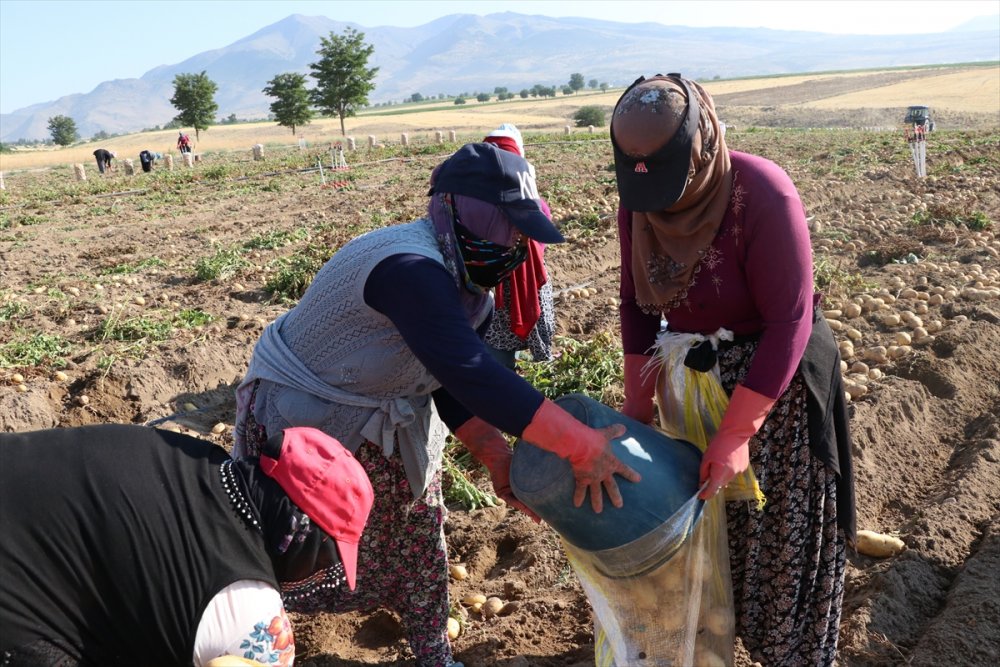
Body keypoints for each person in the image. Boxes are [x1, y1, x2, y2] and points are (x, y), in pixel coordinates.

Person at [232, 141, 641, 667]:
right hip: (311, 422)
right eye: (509, 229)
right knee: (291, 543)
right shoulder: (408, 268)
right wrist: (579, 444)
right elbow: (471, 371)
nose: (516, 246)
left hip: (391, 420)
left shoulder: (467, 287)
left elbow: (444, 383)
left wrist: (496, 456)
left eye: (524, 234)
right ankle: (253, 646)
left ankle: (433, 654)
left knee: (418, 536)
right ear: (465, 214)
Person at [610, 74, 856, 666]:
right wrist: (636, 415)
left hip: (776, 390)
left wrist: (737, 432)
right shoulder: (639, 203)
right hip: (691, 378)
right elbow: (635, 306)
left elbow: (789, 322)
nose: (660, 203)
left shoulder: (762, 193)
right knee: (704, 528)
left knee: (776, 539)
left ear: (700, 147)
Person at [0, 424, 375, 667]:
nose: (321, 571)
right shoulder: (254, 621)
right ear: (300, 533)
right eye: (326, 556)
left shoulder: (193, 454)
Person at [480, 123, 557, 370]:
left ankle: (504, 392)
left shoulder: (473, 199)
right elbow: (542, 241)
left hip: (489, 292)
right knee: (525, 354)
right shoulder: (532, 199)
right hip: (526, 289)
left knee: (497, 359)